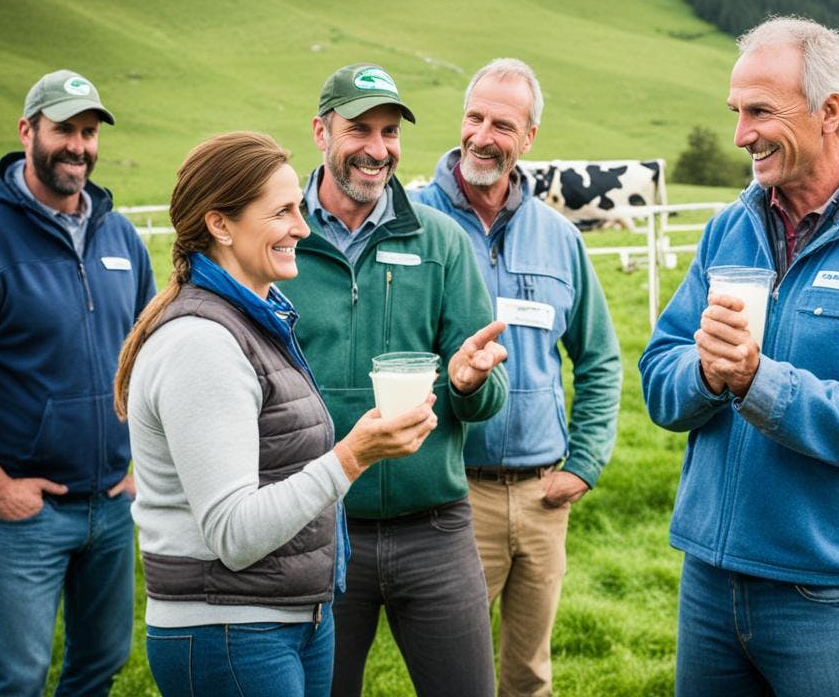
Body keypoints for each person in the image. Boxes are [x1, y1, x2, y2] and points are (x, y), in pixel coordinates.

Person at [639, 16, 839, 696]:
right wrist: (705, 373)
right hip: (709, 580)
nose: (740, 135)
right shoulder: (728, 230)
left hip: (827, 593)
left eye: (760, 112)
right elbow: (659, 378)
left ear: (830, 113)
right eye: (736, 112)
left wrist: (758, 381)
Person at [114, 131, 439, 695]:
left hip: (288, 617)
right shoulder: (201, 343)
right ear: (220, 225)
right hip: (229, 631)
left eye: (298, 209)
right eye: (282, 212)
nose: (302, 228)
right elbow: (234, 532)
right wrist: (353, 457)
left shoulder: (255, 321)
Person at [275, 63, 509, 697]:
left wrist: (468, 383)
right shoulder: (280, 238)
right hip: (315, 527)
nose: (378, 150)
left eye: (390, 132)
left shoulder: (442, 242)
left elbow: (488, 393)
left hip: (435, 530)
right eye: (360, 129)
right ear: (320, 132)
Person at [0, 69, 155, 695]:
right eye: (64, 130)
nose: (78, 146)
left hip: (112, 504)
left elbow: (150, 358)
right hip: (29, 513)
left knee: (101, 663)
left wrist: (143, 469)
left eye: (89, 132)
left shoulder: (120, 236)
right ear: (27, 131)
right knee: (19, 678)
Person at [413, 58, 622, 697]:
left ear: (528, 138)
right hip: (452, 494)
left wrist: (584, 463)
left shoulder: (559, 238)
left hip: (542, 496)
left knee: (529, 675)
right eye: (473, 117)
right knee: (456, 678)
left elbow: (600, 359)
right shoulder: (413, 221)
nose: (482, 136)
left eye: (502, 125)